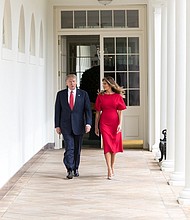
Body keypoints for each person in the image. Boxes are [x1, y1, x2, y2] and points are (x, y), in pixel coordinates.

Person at [55, 74, 92, 179]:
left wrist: (88, 123)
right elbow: (57, 110)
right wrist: (57, 125)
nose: (72, 83)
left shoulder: (83, 94)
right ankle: (69, 169)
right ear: (66, 83)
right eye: (70, 81)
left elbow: (88, 110)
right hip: (65, 126)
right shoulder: (60, 95)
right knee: (69, 147)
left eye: (74, 81)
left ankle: (76, 167)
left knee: (77, 148)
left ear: (76, 82)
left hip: (79, 125)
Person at [94, 76, 126, 180]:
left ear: (110, 84)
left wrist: (120, 124)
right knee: (107, 146)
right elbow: (98, 112)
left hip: (115, 123)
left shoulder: (117, 96)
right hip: (104, 123)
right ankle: (108, 169)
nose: (103, 86)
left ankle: (112, 167)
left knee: (114, 148)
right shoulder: (100, 96)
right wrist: (96, 126)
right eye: (103, 84)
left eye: (105, 84)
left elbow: (120, 112)